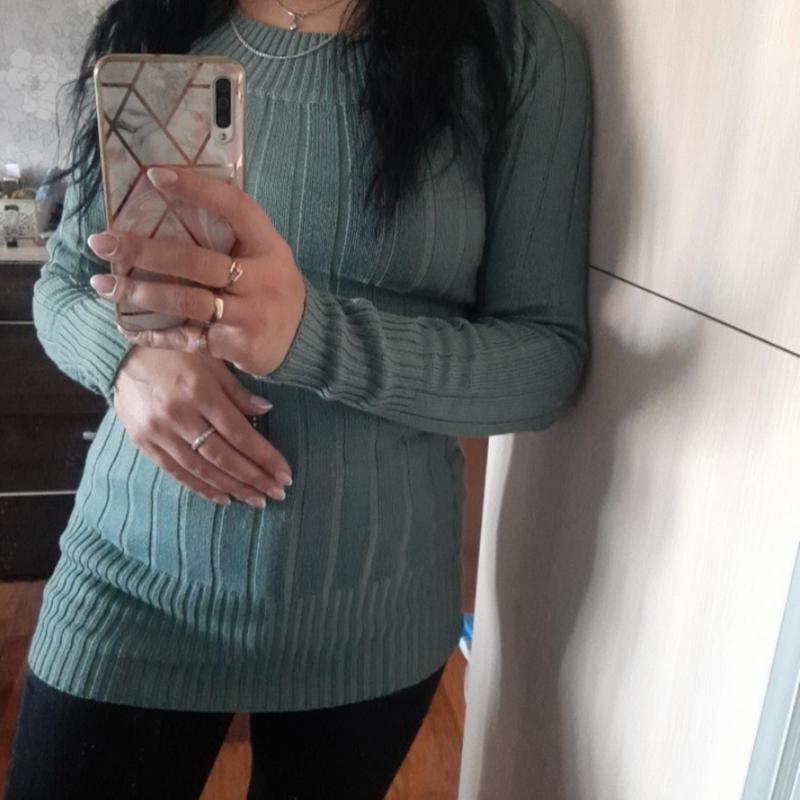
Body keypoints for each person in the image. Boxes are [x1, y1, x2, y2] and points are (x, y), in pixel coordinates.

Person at [4, 0, 592, 796]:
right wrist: (125, 363)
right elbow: (67, 282)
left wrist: (313, 337)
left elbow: (546, 358)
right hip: (129, 579)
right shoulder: (157, 20)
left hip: (370, 611)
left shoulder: (515, 45)